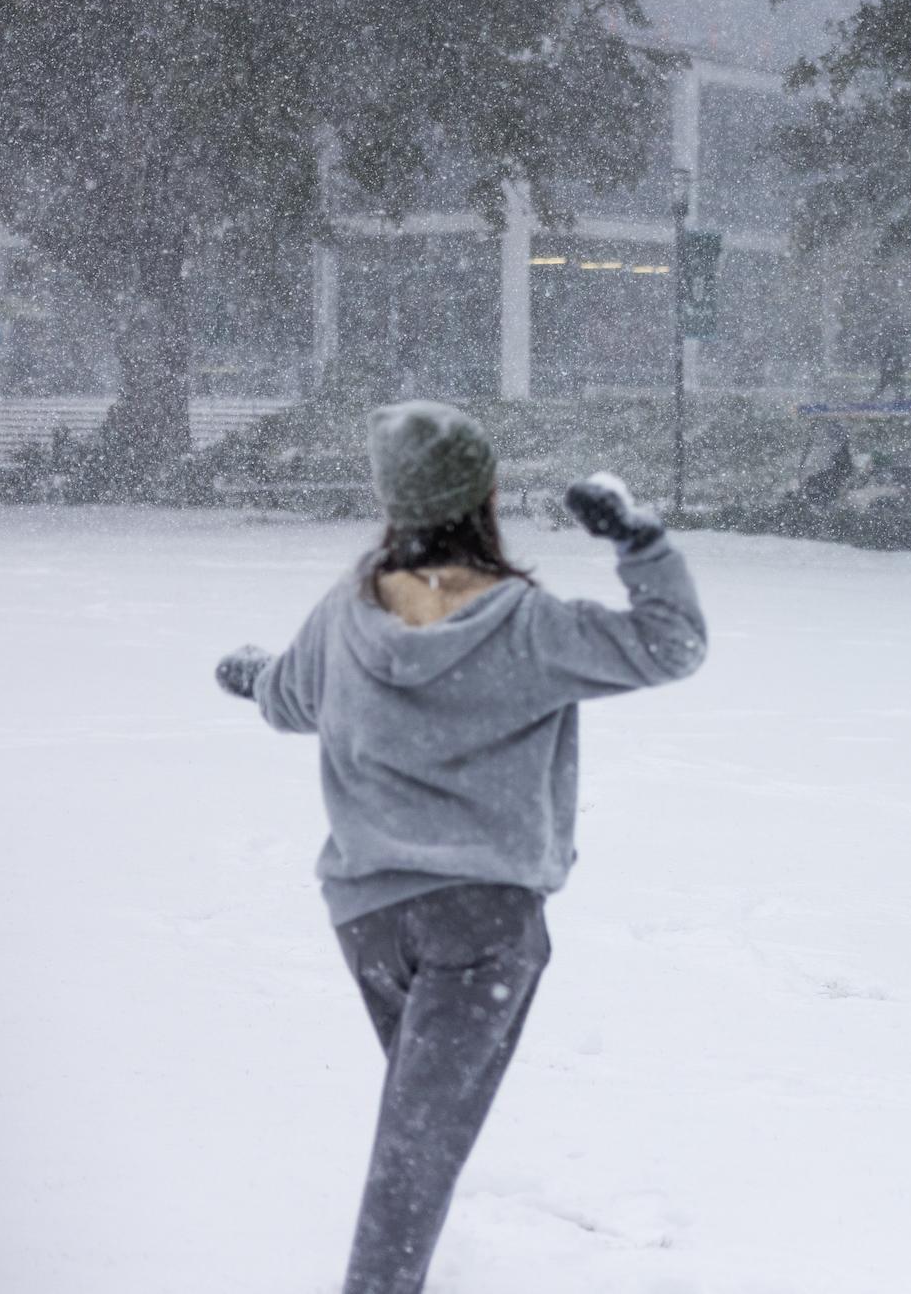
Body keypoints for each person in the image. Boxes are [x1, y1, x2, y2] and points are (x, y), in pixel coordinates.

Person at [213, 401, 706, 1294]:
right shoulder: (525, 625)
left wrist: (253, 675)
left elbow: (291, 698)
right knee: (420, 1148)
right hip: (481, 922)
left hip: (369, 919)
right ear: (483, 495)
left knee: (421, 1129)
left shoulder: (350, 610)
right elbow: (670, 645)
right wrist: (638, 542)